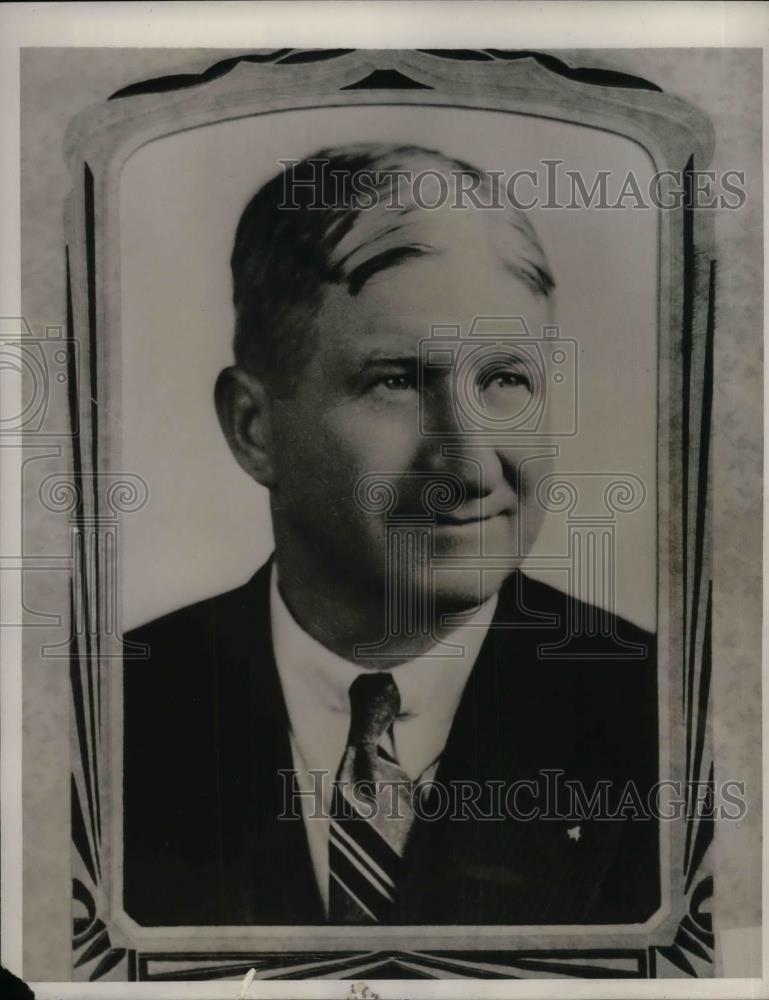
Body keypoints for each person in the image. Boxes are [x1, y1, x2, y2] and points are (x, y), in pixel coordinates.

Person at [123, 145, 659, 927]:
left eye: (505, 379)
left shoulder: (671, 722)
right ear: (254, 428)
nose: (471, 467)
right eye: (398, 381)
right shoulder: (101, 722)